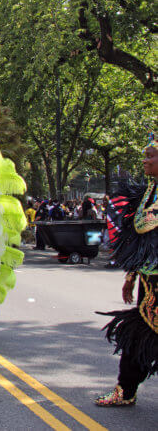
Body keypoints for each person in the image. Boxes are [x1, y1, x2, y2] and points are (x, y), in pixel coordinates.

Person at [95, 132, 157, 406]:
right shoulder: (148, 194)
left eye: (151, 156)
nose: (145, 161)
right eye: (145, 156)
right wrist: (131, 278)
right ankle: (126, 391)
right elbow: (140, 242)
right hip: (149, 286)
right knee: (136, 338)